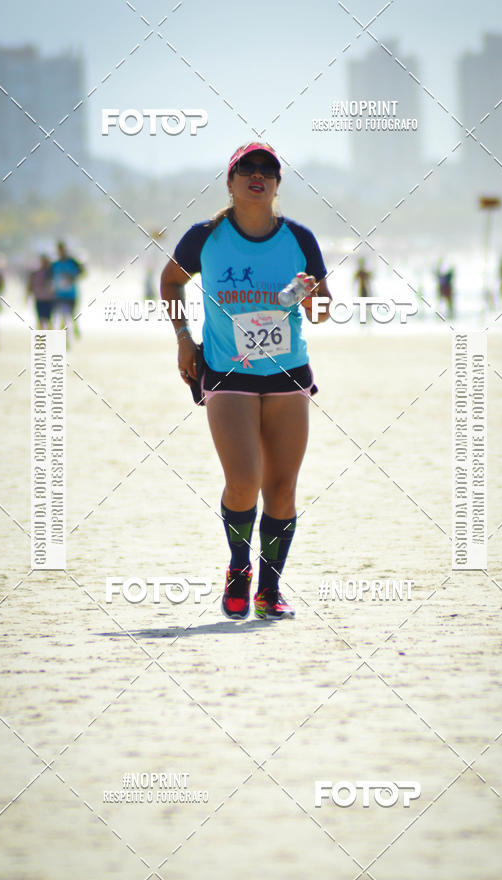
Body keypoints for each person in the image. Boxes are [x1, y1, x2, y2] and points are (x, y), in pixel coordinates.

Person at [161, 142, 331, 621]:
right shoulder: (205, 238)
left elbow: (320, 313)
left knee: (281, 489)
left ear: (277, 183)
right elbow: (170, 281)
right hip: (228, 371)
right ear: (230, 181)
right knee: (244, 481)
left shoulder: (299, 238)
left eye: (268, 170)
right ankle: (240, 570)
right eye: (247, 168)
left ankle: (268, 591)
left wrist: (312, 296)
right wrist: (182, 337)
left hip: (287, 374)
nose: (258, 176)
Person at [50, 241, 85, 341]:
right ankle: (65, 339)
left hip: (71, 295)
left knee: (72, 315)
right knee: (62, 317)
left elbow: (82, 272)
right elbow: (49, 278)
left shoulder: (72, 262)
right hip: (59, 295)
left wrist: (72, 277)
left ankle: (75, 330)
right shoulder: (55, 264)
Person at [27, 253, 55, 329]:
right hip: (39, 299)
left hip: (50, 299)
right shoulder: (35, 273)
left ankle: (50, 337)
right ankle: (43, 338)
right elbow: (30, 285)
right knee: (41, 320)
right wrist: (27, 296)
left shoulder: (52, 273)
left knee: (50, 321)